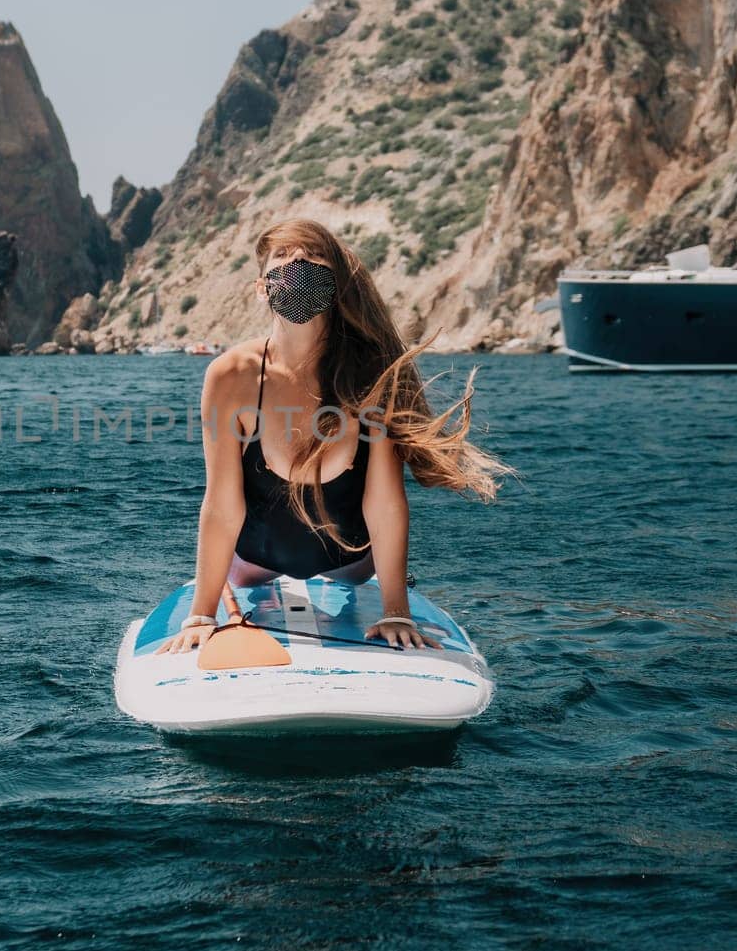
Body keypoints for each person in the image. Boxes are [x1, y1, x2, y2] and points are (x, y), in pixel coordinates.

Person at [157, 219, 510, 656]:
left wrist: (396, 610)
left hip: (351, 564)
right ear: (262, 288)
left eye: (314, 254)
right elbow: (222, 502)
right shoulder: (232, 375)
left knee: (358, 562)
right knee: (241, 570)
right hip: (251, 562)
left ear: (338, 284)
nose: (298, 260)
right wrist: (202, 614)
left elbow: (384, 503)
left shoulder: (374, 372)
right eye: (283, 257)